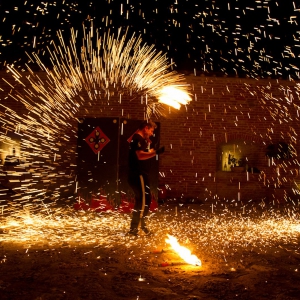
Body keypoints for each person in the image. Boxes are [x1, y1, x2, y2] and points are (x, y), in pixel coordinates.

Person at [127, 120, 165, 236]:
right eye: (151, 130)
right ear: (146, 128)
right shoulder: (137, 138)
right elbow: (139, 155)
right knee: (144, 201)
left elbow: (141, 152)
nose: (152, 134)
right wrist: (155, 153)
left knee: (143, 200)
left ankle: (137, 227)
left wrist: (151, 150)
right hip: (138, 174)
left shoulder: (139, 139)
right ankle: (137, 227)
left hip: (140, 174)